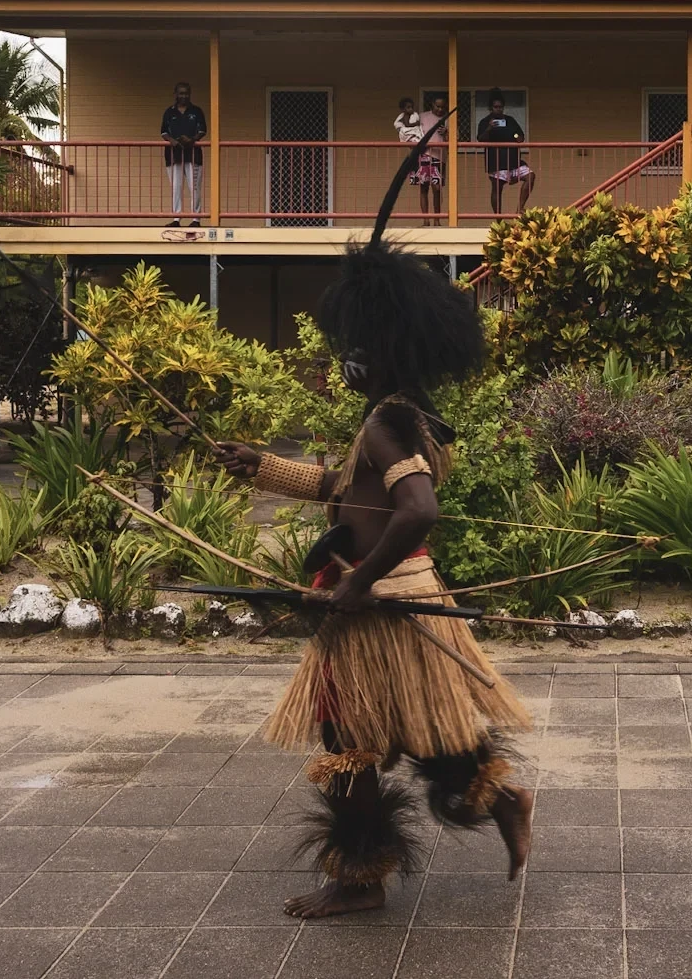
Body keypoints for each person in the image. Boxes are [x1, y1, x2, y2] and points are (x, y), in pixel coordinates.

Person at [215, 140, 533, 919]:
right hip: (390, 593)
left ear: (387, 352)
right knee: (418, 727)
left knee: (347, 737)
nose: (346, 360)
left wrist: (356, 580)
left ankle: (359, 880)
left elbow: (416, 509)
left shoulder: (389, 421)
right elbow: (349, 492)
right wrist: (262, 465)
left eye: (358, 349)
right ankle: (502, 801)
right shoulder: (407, 416)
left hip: (382, 599)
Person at [475, 92, 533, 215]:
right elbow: (481, 140)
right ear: (491, 108)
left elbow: (520, 136)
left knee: (530, 176)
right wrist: (489, 128)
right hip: (496, 162)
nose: (498, 109)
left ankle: (520, 209)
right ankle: (498, 218)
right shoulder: (485, 121)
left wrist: (517, 137)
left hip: (514, 161)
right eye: (496, 107)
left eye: (500, 107)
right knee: (497, 189)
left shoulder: (510, 120)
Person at [160, 82, 207, 225]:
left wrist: (191, 139)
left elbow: (203, 130)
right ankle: (176, 218)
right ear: (175, 94)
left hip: (193, 155)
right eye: (181, 93)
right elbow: (163, 132)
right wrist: (172, 141)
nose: (184, 96)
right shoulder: (169, 112)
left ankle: (195, 218)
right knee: (176, 188)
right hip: (174, 155)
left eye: (186, 93)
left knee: (194, 188)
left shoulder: (196, 111)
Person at [395, 97, 442, 221]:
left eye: (443, 107)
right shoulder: (421, 116)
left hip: (438, 157)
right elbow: (407, 129)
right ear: (432, 105)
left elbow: (454, 137)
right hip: (421, 156)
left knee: (437, 189)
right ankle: (426, 220)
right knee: (424, 187)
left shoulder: (447, 119)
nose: (440, 109)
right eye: (437, 106)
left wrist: (446, 132)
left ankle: (437, 220)